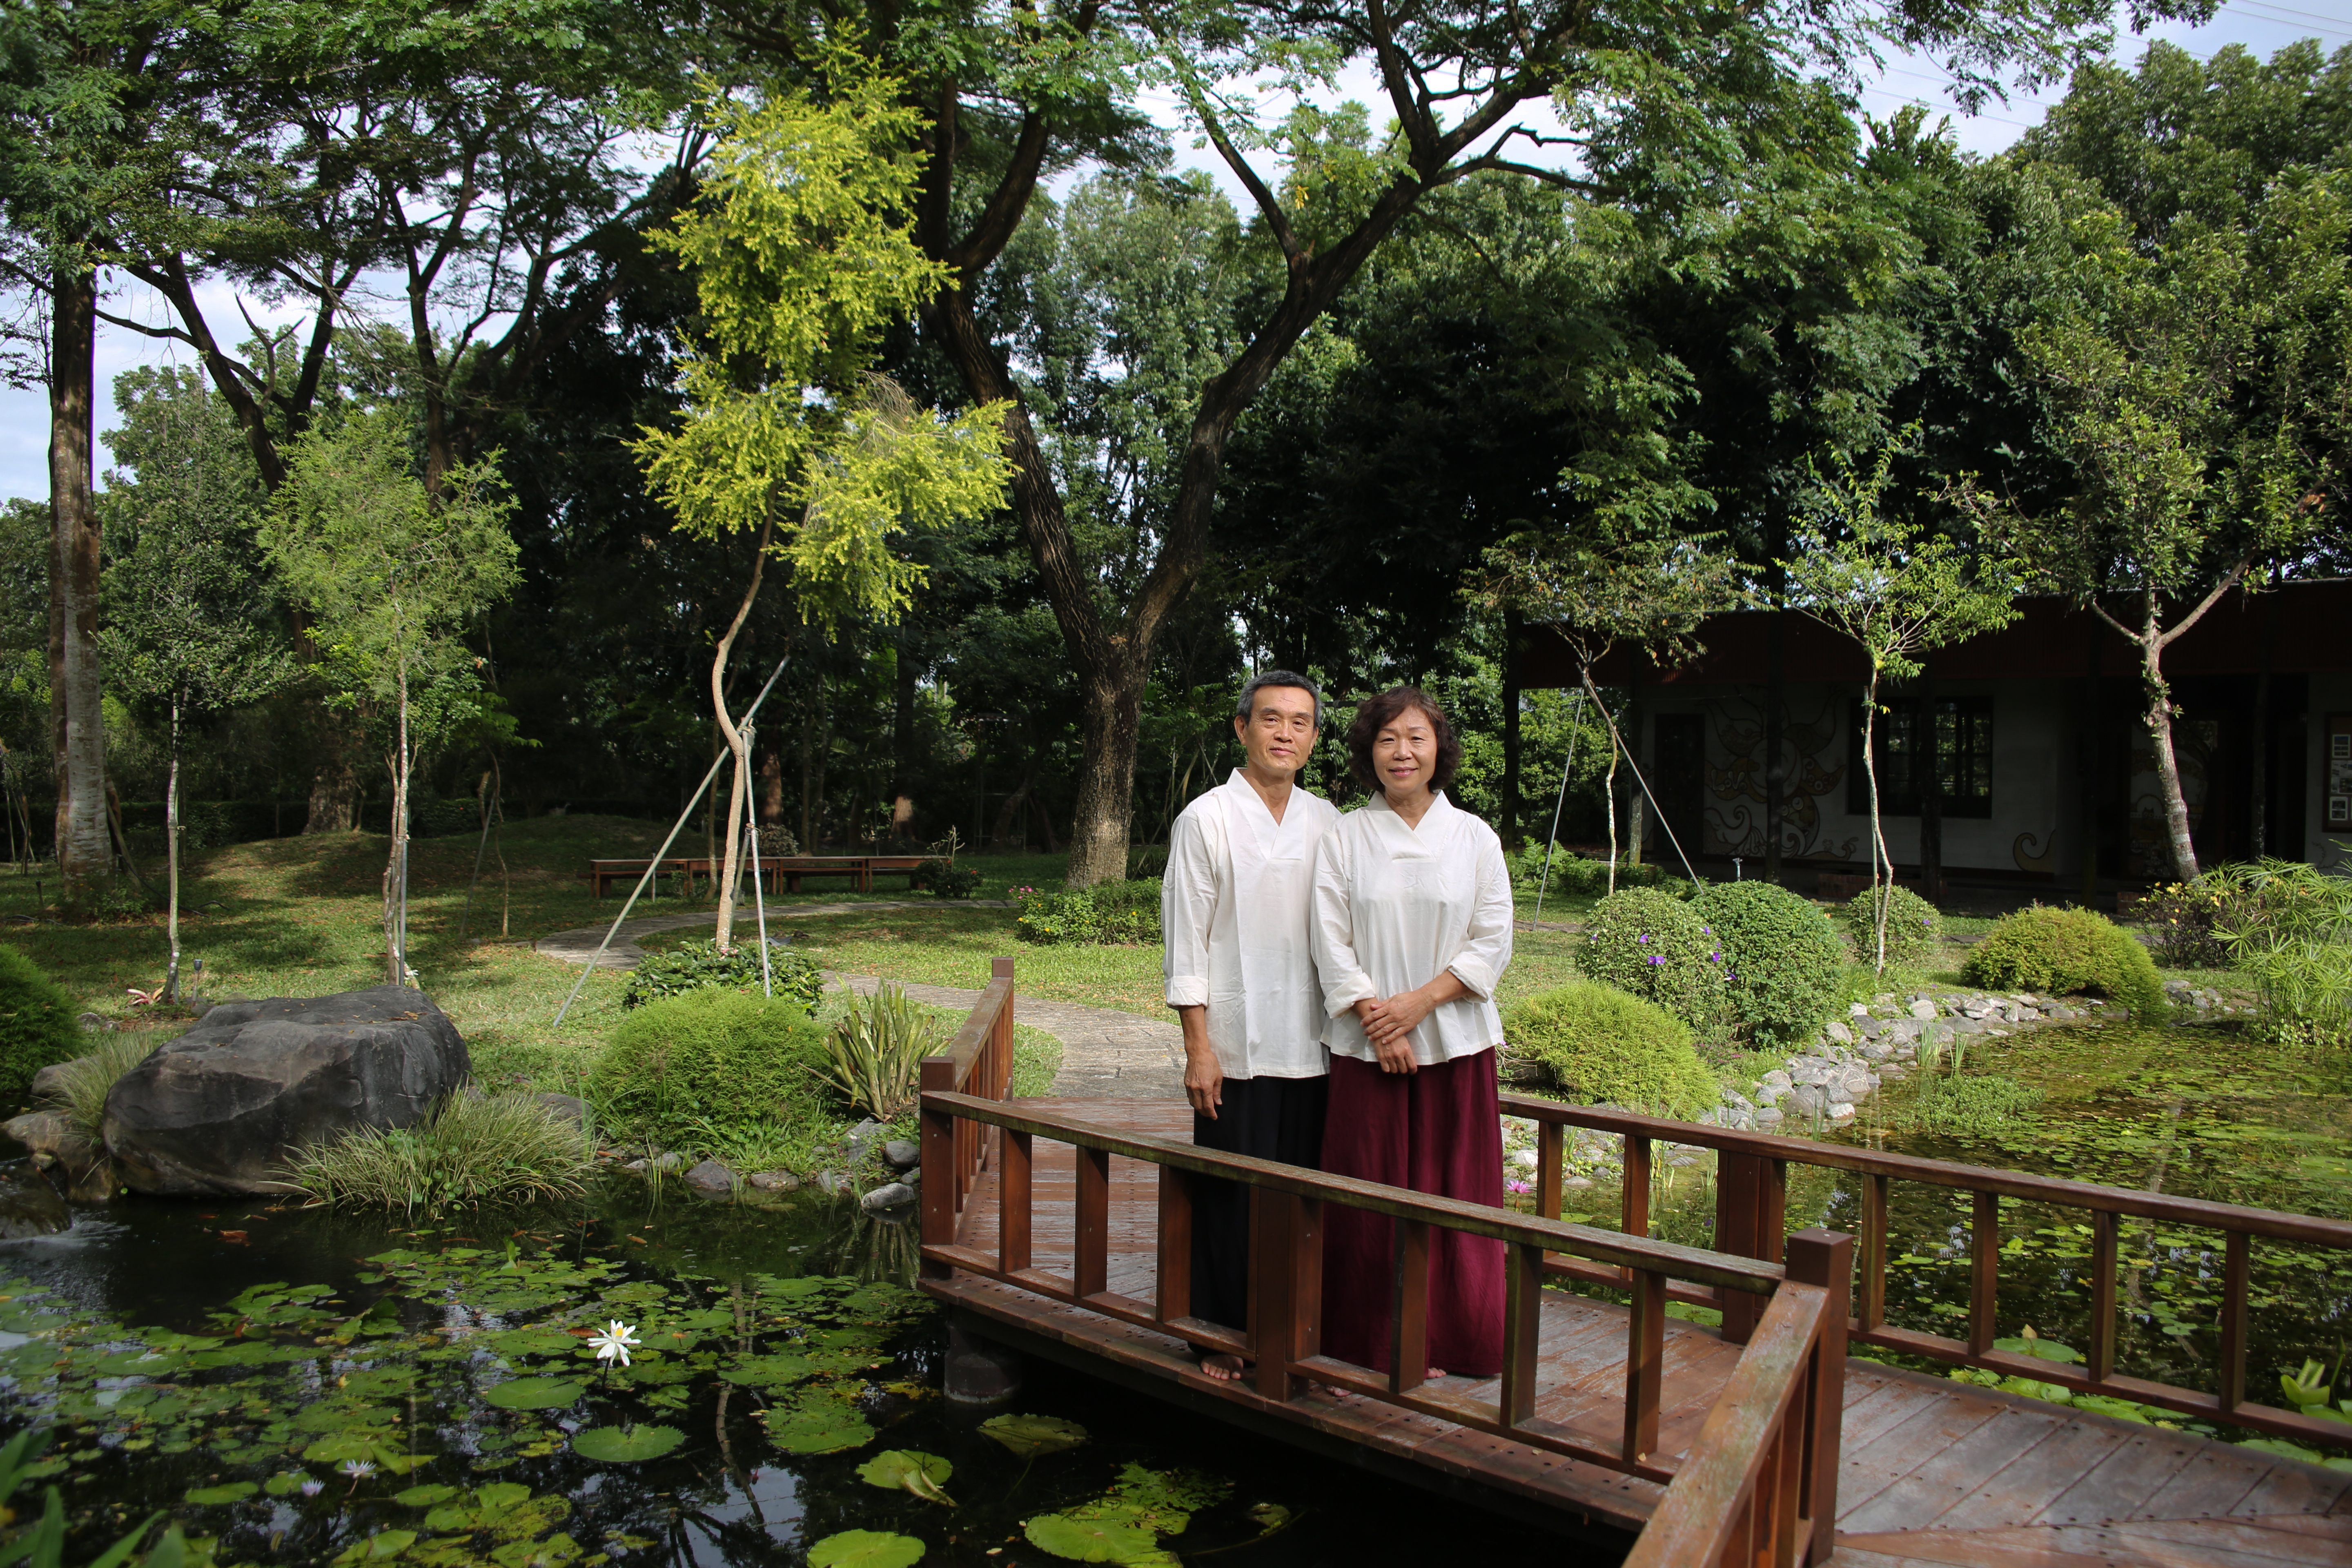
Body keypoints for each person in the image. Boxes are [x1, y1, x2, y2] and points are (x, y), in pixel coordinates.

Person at [1311, 686, 1513, 1380]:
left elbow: (1493, 940)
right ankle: (1368, 1342)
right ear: (1369, 752)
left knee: (1456, 1192)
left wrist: (1420, 1005)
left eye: (1416, 738)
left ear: (1439, 750)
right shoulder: (1344, 837)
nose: (1402, 752)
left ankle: (1459, 1338)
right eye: (1387, 738)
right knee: (1367, 1195)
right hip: (1367, 1048)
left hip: (1455, 1043)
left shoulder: (1475, 838)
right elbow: (1330, 940)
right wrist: (1381, 1022)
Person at [1162, 670, 1341, 1381]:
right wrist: (1198, 1048)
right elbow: (1186, 941)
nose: (1285, 734)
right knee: (1229, 1194)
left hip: (1314, 1043)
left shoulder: (1328, 822)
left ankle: (1296, 1332)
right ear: (1242, 728)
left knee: (1305, 1198)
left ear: (1315, 738)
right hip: (1234, 1044)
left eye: (1300, 723)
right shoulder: (1205, 818)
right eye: (1271, 719)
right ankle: (1219, 1333)